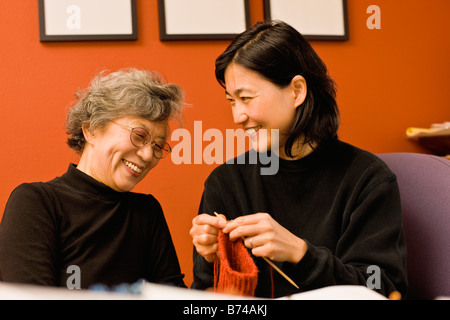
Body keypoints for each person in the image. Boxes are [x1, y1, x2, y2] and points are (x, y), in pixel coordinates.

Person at [190, 21, 407, 298]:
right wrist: (212, 261)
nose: (237, 117)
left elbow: (381, 288)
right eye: (232, 101)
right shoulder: (226, 183)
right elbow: (204, 300)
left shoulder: (368, 180)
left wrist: (300, 254)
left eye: (246, 98)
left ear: (296, 91)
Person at [0, 68, 186, 289]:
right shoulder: (37, 202)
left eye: (157, 146)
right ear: (92, 129)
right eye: (139, 136)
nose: (148, 156)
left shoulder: (147, 212)